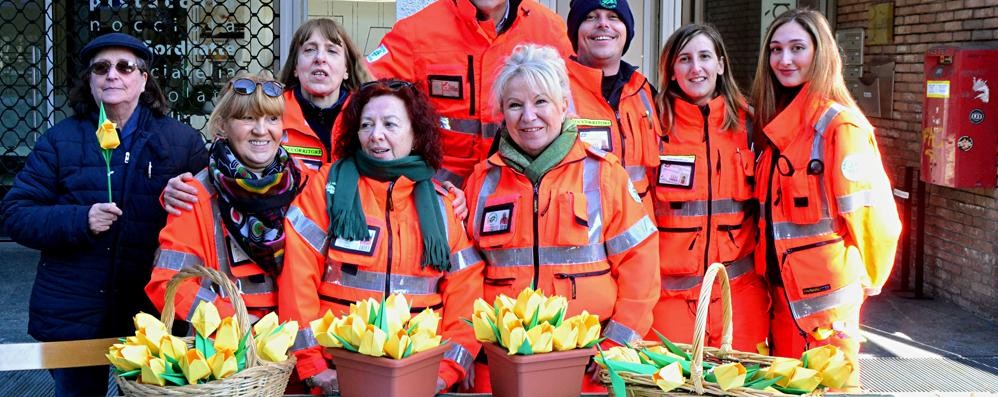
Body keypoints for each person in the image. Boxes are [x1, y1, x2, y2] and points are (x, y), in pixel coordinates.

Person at [0, 32, 207, 396]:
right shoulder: (60, 140)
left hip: (151, 312)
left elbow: (209, 216)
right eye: (101, 67)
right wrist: (79, 220)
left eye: (125, 66)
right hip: (73, 313)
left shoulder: (182, 142)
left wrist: (185, 196)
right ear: (91, 81)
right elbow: (15, 214)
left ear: (143, 79)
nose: (113, 74)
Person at [463, 44, 659, 392]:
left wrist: (615, 346)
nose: (528, 117)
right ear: (502, 113)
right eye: (514, 105)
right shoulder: (481, 182)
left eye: (541, 102)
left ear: (564, 106)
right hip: (500, 371)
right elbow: (463, 279)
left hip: (586, 369)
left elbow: (640, 268)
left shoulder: (605, 176)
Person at [278, 79, 485, 394]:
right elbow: (297, 281)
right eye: (367, 125)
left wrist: (446, 373)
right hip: (338, 376)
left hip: (419, 377)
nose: (376, 135)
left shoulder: (444, 204)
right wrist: (314, 367)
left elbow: (465, 293)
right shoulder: (326, 189)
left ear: (415, 135)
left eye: (390, 124)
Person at [751, 8, 901, 389]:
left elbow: (876, 222)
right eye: (776, 49)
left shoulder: (840, 127)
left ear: (821, 55)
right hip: (781, 300)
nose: (784, 60)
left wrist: (866, 283)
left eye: (797, 48)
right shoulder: (776, 129)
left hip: (825, 311)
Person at [163, 18, 371, 214]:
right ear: (296, 67)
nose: (320, 58)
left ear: (346, 68)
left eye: (332, 51)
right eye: (309, 50)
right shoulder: (265, 110)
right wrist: (179, 191)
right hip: (280, 238)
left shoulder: (369, 117)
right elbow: (220, 170)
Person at [648, 24, 770, 353]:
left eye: (704, 57)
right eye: (684, 59)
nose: (695, 68)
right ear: (671, 71)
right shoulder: (651, 126)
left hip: (740, 297)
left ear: (720, 64)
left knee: (742, 385)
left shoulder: (751, 126)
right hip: (668, 302)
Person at [146, 73, 303, 325]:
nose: (261, 130)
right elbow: (168, 284)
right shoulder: (195, 195)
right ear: (222, 125)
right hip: (225, 353)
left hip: (298, 352)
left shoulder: (305, 186)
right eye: (247, 118)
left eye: (272, 118)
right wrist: (234, 321)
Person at [366, 0, 573, 188]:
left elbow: (579, 109)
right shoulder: (416, 33)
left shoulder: (548, 29)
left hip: (521, 195)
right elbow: (359, 101)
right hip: (439, 199)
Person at [565, 0, 661, 213]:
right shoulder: (552, 90)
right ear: (575, 32)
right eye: (590, 17)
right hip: (580, 239)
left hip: (638, 237)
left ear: (626, 31)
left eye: (613, 17)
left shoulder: (645, 93)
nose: (602, 24)